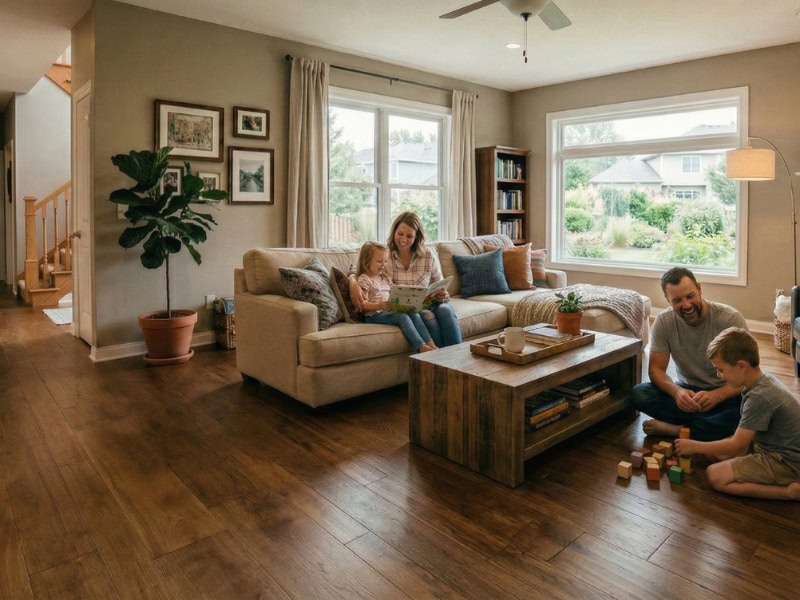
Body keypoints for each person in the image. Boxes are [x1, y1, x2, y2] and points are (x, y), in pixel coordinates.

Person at [674, 327, 800, 500]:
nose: (719, 376)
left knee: (715, 475)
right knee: (713, 452)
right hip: (768, 447)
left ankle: (787, 492)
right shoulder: (758, 381)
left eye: (721, 370)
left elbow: (738, 445)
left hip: (788, 463)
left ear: (741, 366)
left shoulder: (760, 396)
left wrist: (694, 446)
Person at [631, 266, 747, 441]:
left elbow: (749, 375)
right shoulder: (664, 321)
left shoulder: (730, 319)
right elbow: (656, 370)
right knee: (639, 394)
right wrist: (677, 392)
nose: (686, 305)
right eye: (677, 300)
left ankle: (677, 430)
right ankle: (708, 428)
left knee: (750, 407)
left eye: (690, 296)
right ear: (668, 300)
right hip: (688, 393)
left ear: (699, 289)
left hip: (726, 393)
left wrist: (718, 395)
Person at [350, 212, 462, 347]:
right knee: (427, 317)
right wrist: (353, 283)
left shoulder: (427, 255)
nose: (403, 240)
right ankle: (438, 359)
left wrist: (442, 294)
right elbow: (359, 268)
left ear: (417, 237)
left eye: (409, 236)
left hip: (429, 303)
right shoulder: (385, 255)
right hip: (408, 309)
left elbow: (440, 283)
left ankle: (457, 358)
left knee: (446, 310)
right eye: (400, 234)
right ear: (394, 232)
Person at [355, 241, 437, 353]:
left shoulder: (385, 278)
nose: (383, 265)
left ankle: (431, 344)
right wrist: (379, 305)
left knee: (414, 313)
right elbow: (363, 305)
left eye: (385, 261)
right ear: (366, 261)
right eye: (379, 261)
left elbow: (395, 292)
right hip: (373, 315)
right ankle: (420, 346)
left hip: (388, 310)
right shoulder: (365, 279)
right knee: (402, 317)